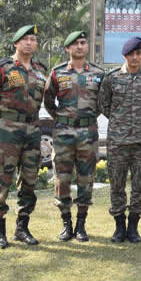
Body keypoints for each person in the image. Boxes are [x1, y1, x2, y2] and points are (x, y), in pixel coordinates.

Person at [0, 25, 48, 248]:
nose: (30, 42)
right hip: (8, 131)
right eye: (25, 39)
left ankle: (22, 228)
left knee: (29, 180)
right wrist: (3, 122)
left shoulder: (40, 70)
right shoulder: (2, 68)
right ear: (16, 43)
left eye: (33, 39)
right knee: (2, 179)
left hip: (32, 130)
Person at [97, 36, 141, 243]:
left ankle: (133, 227)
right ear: (124, 56)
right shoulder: (112, 77)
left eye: (139, 53)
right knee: (117, 185)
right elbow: (104, 105)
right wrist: (120, 122)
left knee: (140, 186)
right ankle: (119, 227)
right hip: (117, 141)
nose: (135, 58)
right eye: (131, 54)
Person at [43, 30, 105, 243]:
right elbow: (49, 101)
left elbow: (102, 103)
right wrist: (64, 119)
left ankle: (81, 225)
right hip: (63, 134)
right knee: (62, 178)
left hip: (88, 133)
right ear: (68, 49)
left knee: (86, 178)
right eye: (75, 44)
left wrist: (85, 119)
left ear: (87, 47)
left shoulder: (98, 73)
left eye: (83, 43)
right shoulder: (57, 72)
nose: (80, 46)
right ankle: (66, 224)